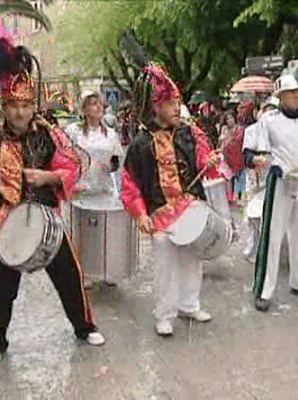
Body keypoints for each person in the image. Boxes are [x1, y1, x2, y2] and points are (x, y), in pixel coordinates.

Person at [0, 38, 105, 366]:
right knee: (0, 287)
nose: (21, 112)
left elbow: (73, 166)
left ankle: (84, 326)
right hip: (4, 222)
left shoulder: (49, 135)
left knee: (70, 276)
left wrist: (48, 178)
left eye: (25, 105)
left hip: (47, 219)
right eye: (14, 106)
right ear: (4, 108)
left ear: (33, 106)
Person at [121, 63, 221, 336]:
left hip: (190, 207)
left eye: (178, 102)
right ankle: (164, 314)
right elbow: (130, 185)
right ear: (156, 108)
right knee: (165, 267)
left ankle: (190, 304)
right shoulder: (141, 144)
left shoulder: (189, 133)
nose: (177, 108)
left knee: (193, 258)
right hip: (160, 214)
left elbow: (204, 162)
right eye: (171, 103)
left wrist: (210, 161)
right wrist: (140, 213)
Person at [247, 75, 298, 312]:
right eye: (291, 93)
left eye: (297, 92)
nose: (295, 96)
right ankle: (263, 289)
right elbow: (256, 152)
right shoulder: (268, 120)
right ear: (280, 96)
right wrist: (269, 163)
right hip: (280, 182)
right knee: (272, 236)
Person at [65, 91, 124, 288]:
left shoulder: (111, 134)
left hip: (103, 187)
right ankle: (83, 271)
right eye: (92, 104)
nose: (98, 107)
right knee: (82, 232)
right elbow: (64, 158)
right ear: (84, 109)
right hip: (81, 188)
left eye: (100, 104)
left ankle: (106, 269)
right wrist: (71, 180)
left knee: (105, 230)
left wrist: (112, 167)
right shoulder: (73, 132)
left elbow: (116, 159)